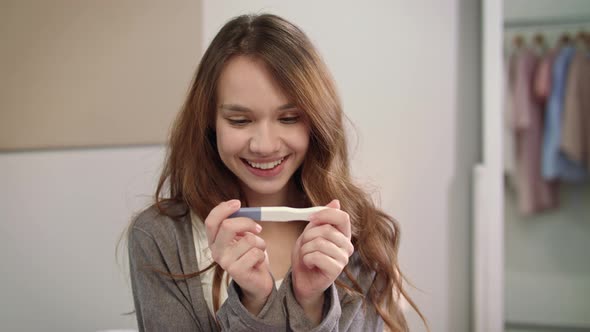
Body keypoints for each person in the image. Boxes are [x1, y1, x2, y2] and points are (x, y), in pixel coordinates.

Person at [127, 13, 426, 331]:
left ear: (316, 122)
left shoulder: (359, 233)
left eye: (289, 118)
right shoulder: (160, 238)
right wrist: (254, 302)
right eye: (240, 121)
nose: (265, 145)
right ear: (209, 123)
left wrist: (313, 304)